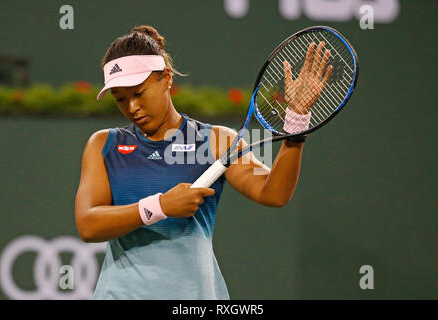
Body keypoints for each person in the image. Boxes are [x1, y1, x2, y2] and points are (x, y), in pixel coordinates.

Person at [74, 25, 330, 300]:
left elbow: (274, 193)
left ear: (166, 78)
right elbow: (88, 225)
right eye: (120, 99)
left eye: (139, 93)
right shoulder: (103, 144)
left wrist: (297, 122)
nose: (132, 107)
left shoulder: (218, 140)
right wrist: (160, 206)